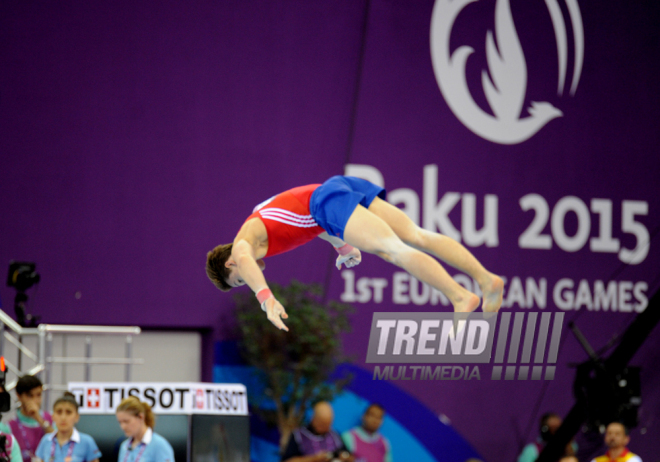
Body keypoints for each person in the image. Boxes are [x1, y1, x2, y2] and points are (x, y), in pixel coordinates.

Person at [206, 176, 504, 330]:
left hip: (325, 201)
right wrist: (343, 245)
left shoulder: (244, 244)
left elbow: (246, 259)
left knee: (393, 251)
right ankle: (487, 279)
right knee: (416, 235)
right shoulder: (259, 231)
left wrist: (265, 299)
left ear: (230, 262)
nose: (247, 277)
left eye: (239, 280)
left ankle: (460, 296)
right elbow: (307, 223)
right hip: (331, 191)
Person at [35, 393, 101, 462]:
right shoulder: (46, 440)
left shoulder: (87, 442)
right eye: (59, 412)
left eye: (68, 412)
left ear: (76, 417)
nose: (63, 417)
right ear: (53, 416)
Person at [281, 401, 353, 462]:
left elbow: (351, 457)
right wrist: (314, 459)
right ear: (314, 419)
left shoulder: (335, 436)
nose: (327, 428)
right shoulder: (298, 435)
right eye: (323, 424)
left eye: (328, 424)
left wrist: (344, 457)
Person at [9, 376, 53, 462]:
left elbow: (61, 442)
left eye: (39, 395)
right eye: (30, 395)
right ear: (19, 396)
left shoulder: (52, 419)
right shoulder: (10, 426)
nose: (35, 400)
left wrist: (39, 419)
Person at [115, 397, 174, 462]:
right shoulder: (124, 446)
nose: (123, 427)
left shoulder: (160, 445)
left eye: (126, 421)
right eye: (120, 422)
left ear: (141, 417)